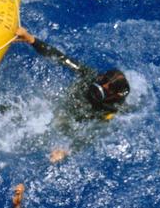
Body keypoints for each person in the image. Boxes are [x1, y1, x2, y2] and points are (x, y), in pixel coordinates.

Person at [15, 27, 129, 162]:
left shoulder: (110, 110)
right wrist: (31, 39)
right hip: (62, 105)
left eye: (107, 89)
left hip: (72, 123)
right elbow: (60, 58)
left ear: (115, 95)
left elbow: (91, 136)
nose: (100, 87)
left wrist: (66, 151)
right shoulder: (91, 75)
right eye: (102, 81)